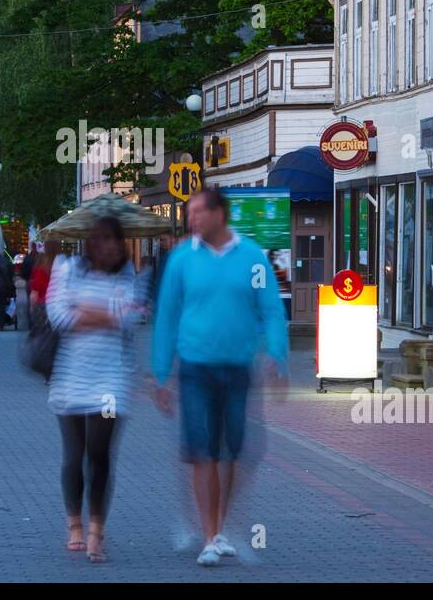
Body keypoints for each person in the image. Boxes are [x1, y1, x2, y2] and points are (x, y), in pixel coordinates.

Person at [151, 188, 289, 567]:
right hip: (195, 366)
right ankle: (210, 535)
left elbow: (272, 311)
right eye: (189, 212)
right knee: (202, 451)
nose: (190, 219)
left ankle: (219, 525)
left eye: (197, 212)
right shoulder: (182, 259)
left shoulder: (252, 258)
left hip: (238, 367)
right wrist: (162, 373)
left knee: (235, 452)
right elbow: (167, 315)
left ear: (219, 214)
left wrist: (277, 355)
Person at [45, 217, 141, 563]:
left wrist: (85, 312)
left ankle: (97, 530)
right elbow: (57, 315)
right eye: (100, 239)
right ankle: (74, 525)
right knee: (74, 454)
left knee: (99, 454)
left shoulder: (128, 275)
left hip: (111, 381)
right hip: (70, 377)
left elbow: (128, 317)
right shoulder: (68, 268)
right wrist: (105, 314)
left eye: (113, 240)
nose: (108, 246)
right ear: (90, 243)